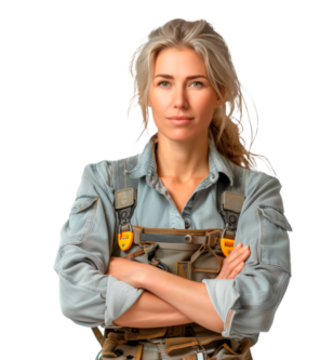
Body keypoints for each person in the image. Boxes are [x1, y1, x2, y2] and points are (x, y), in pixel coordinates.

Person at [53, 17, 293, 360]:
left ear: (219, 92)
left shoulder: (257, 189)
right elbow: (74, 298)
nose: (179, 101)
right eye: (164, 83)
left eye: (195, 83)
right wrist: (216, 301)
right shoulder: (104, 181)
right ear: (147, 93)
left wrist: (139, 273)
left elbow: (257, 308)